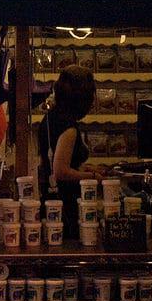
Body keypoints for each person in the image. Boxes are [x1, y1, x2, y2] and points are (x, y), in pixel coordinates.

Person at [36, 65, 102, 238]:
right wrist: (94, 178)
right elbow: (61, 172)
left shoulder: (50, 118)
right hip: (66, 205)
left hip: (50, 201)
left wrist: (83, 169)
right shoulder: (69, 128)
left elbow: (54, 164)